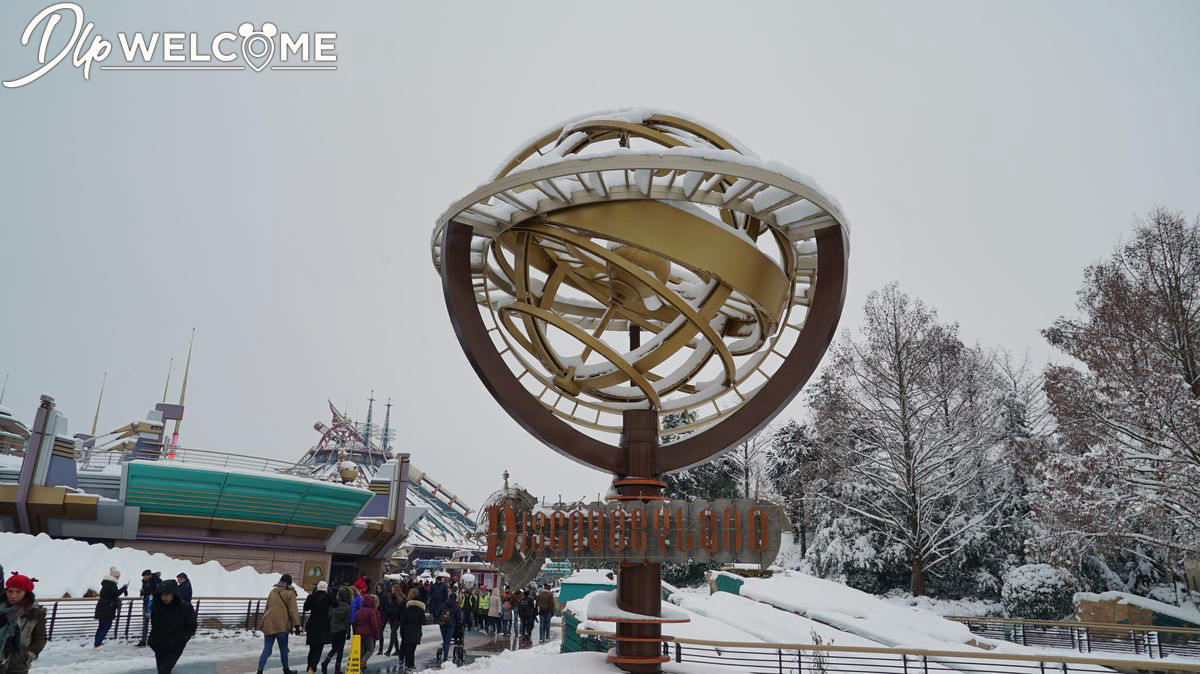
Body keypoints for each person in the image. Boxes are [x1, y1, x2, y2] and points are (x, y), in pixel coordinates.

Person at [0, 572, 46, 674]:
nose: (13, 596)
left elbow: (40, 638)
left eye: (18, 592)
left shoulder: (35, 613)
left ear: (26, 593)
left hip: (17, 666)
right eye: (10, 591)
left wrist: (29, 656)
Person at [147, 578, 196, 674]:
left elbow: (192, 626)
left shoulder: (185, 607)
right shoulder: (157, 607)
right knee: (161, 670)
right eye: (162, 595)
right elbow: (154, 625)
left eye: (167, 595)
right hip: (160, 644)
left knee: (163, 671)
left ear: (174, 594)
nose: (164, 597)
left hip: (175, 646)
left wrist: (182, 639)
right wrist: (152, 639)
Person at [256, 573, 300, 674]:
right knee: (283, 649)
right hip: (282, 625)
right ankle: (286, 670)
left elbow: (267, 607)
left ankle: (259, 671)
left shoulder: (272, 592)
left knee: (266, 649)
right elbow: (293, 610)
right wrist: (297, 625)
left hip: (269, 623)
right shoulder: (290, 593)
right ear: (289, 583)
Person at [93, 567, 127, 651]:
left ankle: (97, 644)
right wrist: (124, 588)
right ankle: (98, 645)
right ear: (114, 576)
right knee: (106, 626)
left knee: (101, 627)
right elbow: (115, 594)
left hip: (102, 607)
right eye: (118, 576)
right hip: (107, 608)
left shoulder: (106, 583)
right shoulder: (111, 584)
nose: (119, 578)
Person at [303, 581, 333, 674]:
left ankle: (309, 667)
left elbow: (306, 608)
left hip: (312, 625)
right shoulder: (328, 597)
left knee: (312, 649)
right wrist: (330, 593)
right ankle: (312, 668)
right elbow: (336, 604)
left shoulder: (311, 597)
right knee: (319, 649)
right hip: (323, 626)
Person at [320, 585, 351, 674]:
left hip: (333, 628)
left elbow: (330, 616)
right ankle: (337, 669)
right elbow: (347, 621)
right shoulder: (348, 607)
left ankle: (326, 661)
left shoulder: (333, 605)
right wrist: (348, 633)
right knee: (340, 650)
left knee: (334, 648)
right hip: (342, 629)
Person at [398, 588, 425, 672]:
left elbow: (402, 619)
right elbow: (424, 622)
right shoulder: (421, 611)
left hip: (407, 631)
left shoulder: (408, 609)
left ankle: (407, 664)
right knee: (412, 650)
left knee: (408, 648)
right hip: (416, 631)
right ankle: (411, 665)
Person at [352, 594, 381, 670]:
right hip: (368, 633)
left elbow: (355, 624)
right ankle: (361, 663)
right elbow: (374, 625)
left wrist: (355, 633)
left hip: (359, 633)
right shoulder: (371, 612)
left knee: (362, 650)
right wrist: (377, 635)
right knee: (370, 650)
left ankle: (358, 665)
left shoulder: (358, 612)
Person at [135, 569, 162, 647]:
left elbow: (157, 592)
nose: (144, 578)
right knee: (145, 622)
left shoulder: (157, 581)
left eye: (145, 576)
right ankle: (143, 640)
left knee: (155, 623)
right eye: (143, 577)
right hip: (146, 603)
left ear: (150, 575)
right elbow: (144, 592)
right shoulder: (144, 581)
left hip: (155, 604)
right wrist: (142, 592)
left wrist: (145, 592)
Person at [436, 591, 458, 664]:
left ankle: (443, 652)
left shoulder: (443, 605)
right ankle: (445, 657)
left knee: (445, 640)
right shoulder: (456, 607)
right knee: (447, 641)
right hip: (450, 625)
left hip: (442, 625)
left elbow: (438, 614)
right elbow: (459, 617)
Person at [383, 586, 402, 657]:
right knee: (394, 634)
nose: (393, 591)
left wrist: (391, 610)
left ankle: (389, 650)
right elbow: (388, 608)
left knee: (393, 633)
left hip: (397, 619)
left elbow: (397, 609)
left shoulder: (399, 599)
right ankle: (397, 650)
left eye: (394, 590)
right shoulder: (390, 597)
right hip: (392, 618)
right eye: (392, 590)